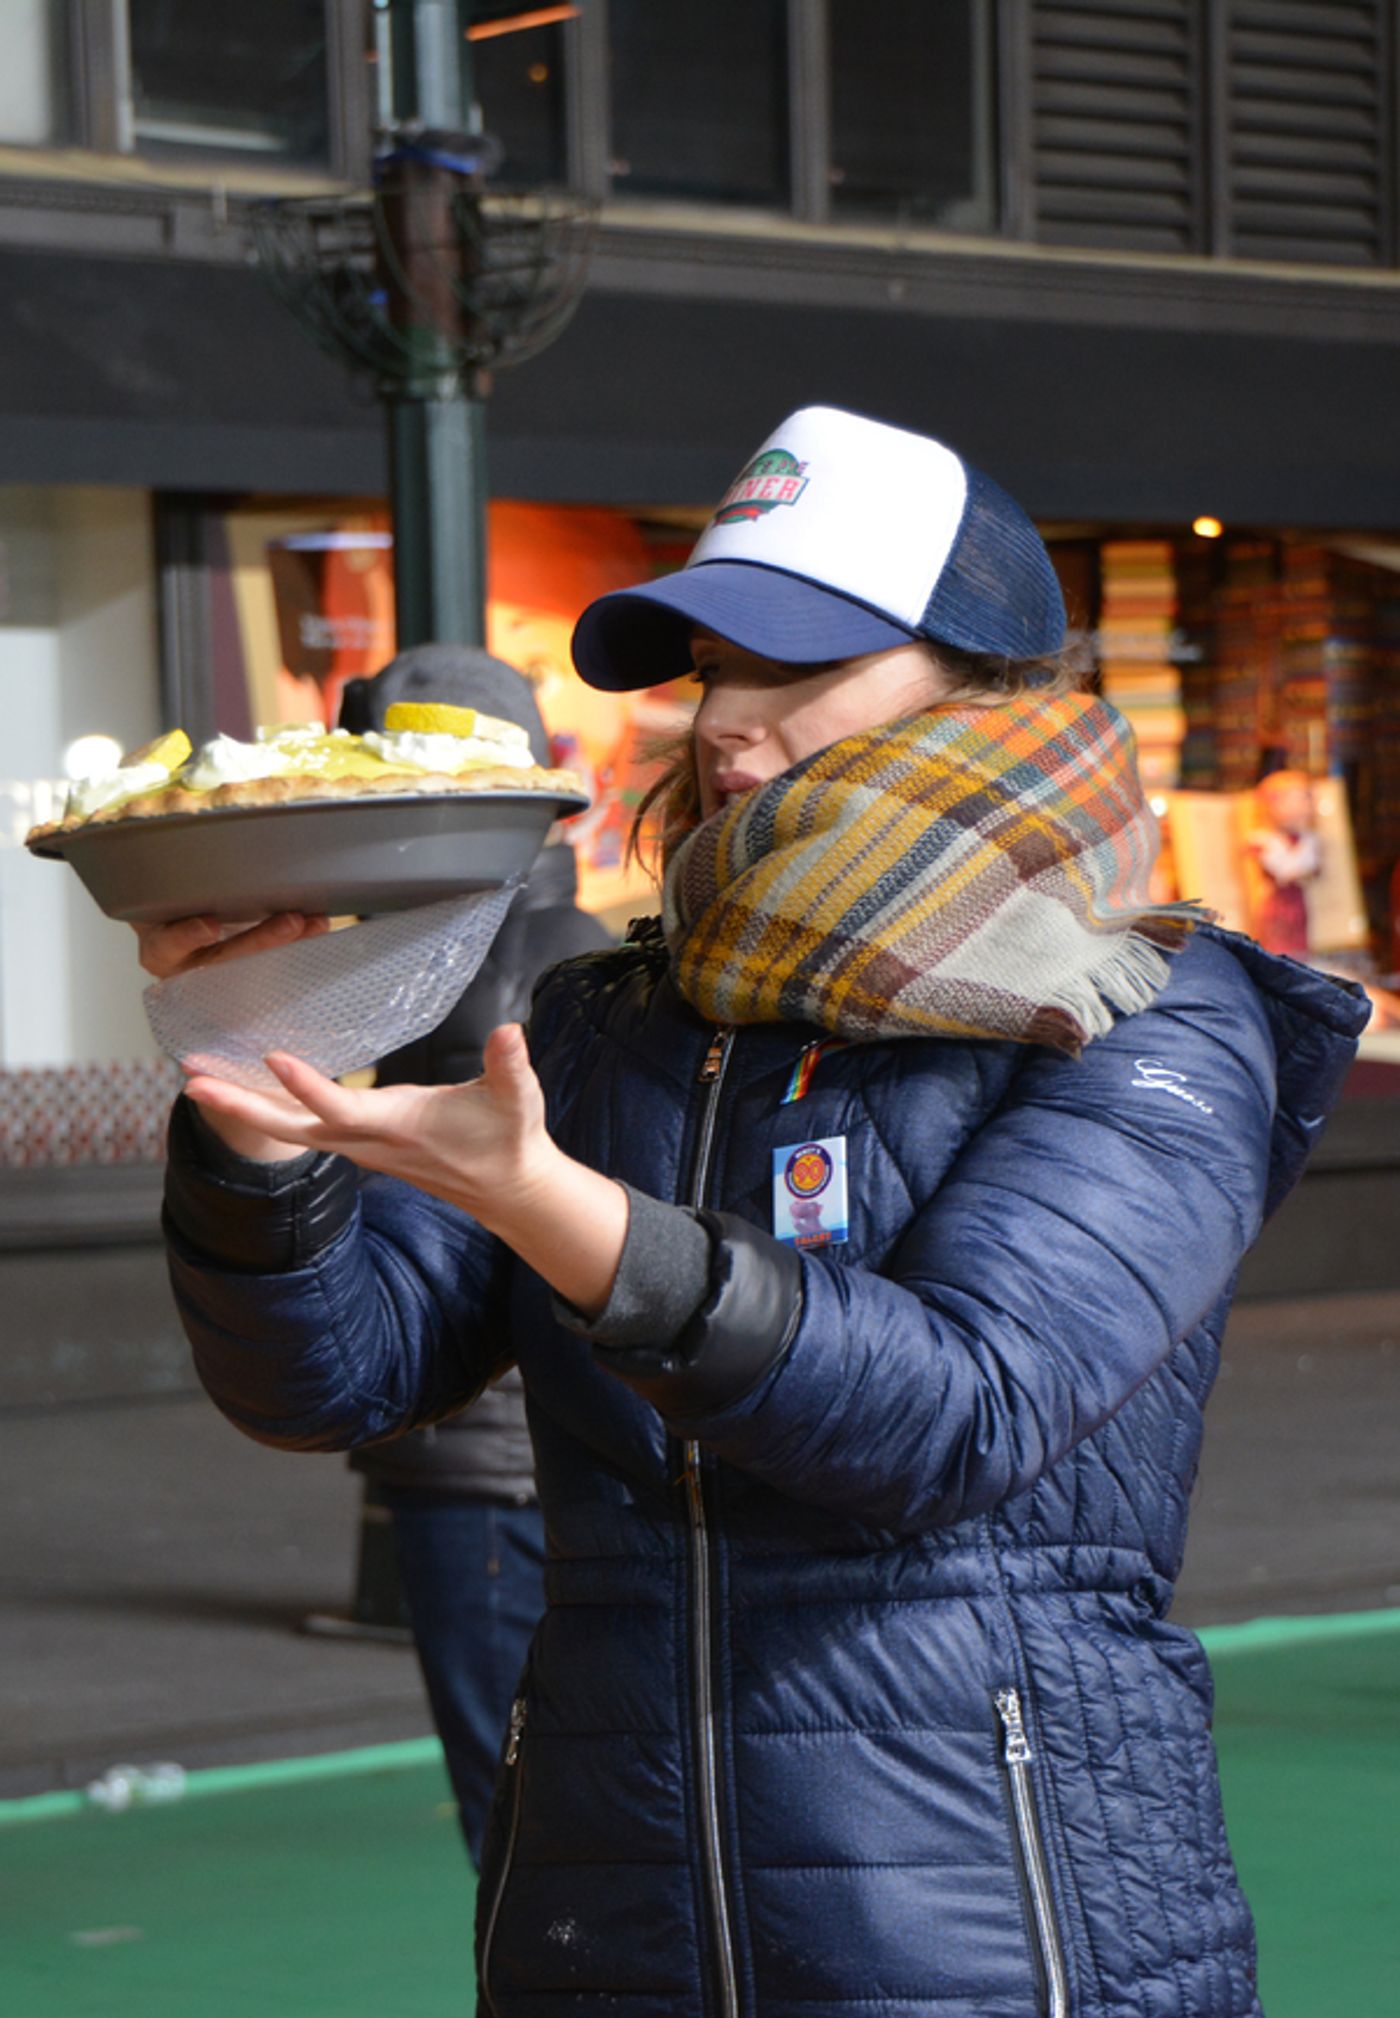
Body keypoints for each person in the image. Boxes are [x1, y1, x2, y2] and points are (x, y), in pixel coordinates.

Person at [141, 406, 1369, 2018]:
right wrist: (257, 1103)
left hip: (995, 1922)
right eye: (714, 663)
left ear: (979, 682)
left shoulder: (1153, 1005)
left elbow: (957, 1409)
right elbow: (328, 1378)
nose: (728, 720)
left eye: (797, 666)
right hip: (608, 1912)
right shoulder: (607, 1013)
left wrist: (560, 1209)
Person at [336, 644, 611, 1863]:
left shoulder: (456, 963)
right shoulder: (560, 937)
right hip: (525, 1449)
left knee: (528, 1840)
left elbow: (444, 1233)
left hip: (489, 1461)